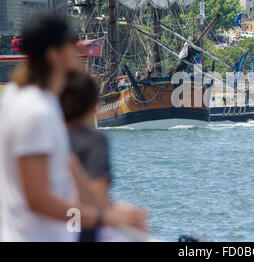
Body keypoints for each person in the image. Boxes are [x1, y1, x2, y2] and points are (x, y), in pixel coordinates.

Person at [0, 14, 147, 241]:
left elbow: (66, 164)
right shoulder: (36, 111)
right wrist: (103, 219)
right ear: (54, 54)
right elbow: (37, 198)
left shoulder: (18, 100)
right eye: (71, 43)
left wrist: (108, 209)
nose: (77, 49)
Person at [60, 72, 111, 241]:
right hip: (81, 231)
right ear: (95, 106)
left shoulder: (47, 138)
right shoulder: (95, 141)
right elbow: (98, 199)